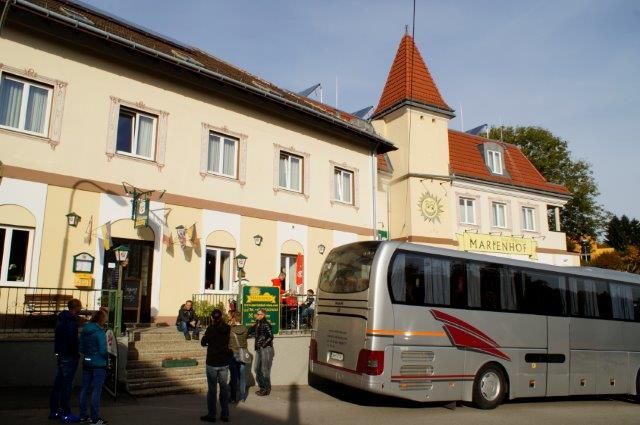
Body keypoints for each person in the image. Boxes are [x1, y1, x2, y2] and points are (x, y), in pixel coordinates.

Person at [49, 298, 83, 422]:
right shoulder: (71, 321)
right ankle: (66, 413)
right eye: (80, 306)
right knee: (66, 385)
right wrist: (76, 354)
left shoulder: (61, 319)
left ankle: (54, 410)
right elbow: (72, 340)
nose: (81, 309)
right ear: (76, 307)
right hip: (69, 356)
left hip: (61, 354)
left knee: (58, 383)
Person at [200, 309, 232, 423]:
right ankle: (225, 414)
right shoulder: (227, 328)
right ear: (222, 317)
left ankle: (212, 414)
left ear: (212, 318)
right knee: (223, 389)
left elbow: (203, 342)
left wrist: (210, 342)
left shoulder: (211, 329)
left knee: (212, 390)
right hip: (224, 362)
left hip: (212, 362)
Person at [79, 310, 109, 425]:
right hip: (98, 365)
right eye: (105, 318)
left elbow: (80, 348)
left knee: (85, 389)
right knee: (96, 391)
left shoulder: (85, 331)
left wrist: (89, 355)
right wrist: (107, 357)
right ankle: (95, 418)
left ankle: (82, 416)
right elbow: (103, 351)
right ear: (101, 319)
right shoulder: (100, 332)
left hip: (87, 362)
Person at [251, 308, 274, 396]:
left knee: (264, 370)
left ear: (263, 315)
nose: (256, 315)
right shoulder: (258, 323)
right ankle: (263, 386)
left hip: (266, 349)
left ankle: (265, 389)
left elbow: (271, 336)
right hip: (259, 349)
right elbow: (252, 332)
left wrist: (263, 345)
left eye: (258, 314)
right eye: (256, 314)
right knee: (257, 368)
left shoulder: (266, 324)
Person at [228, 311, 249, 403]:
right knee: (242, 377)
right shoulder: (245, 328)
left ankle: (233, 398)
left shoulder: (230, 329)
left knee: (233, 377)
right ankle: (242, 396)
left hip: (233, 353)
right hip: (242, 353)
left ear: (233, 318)